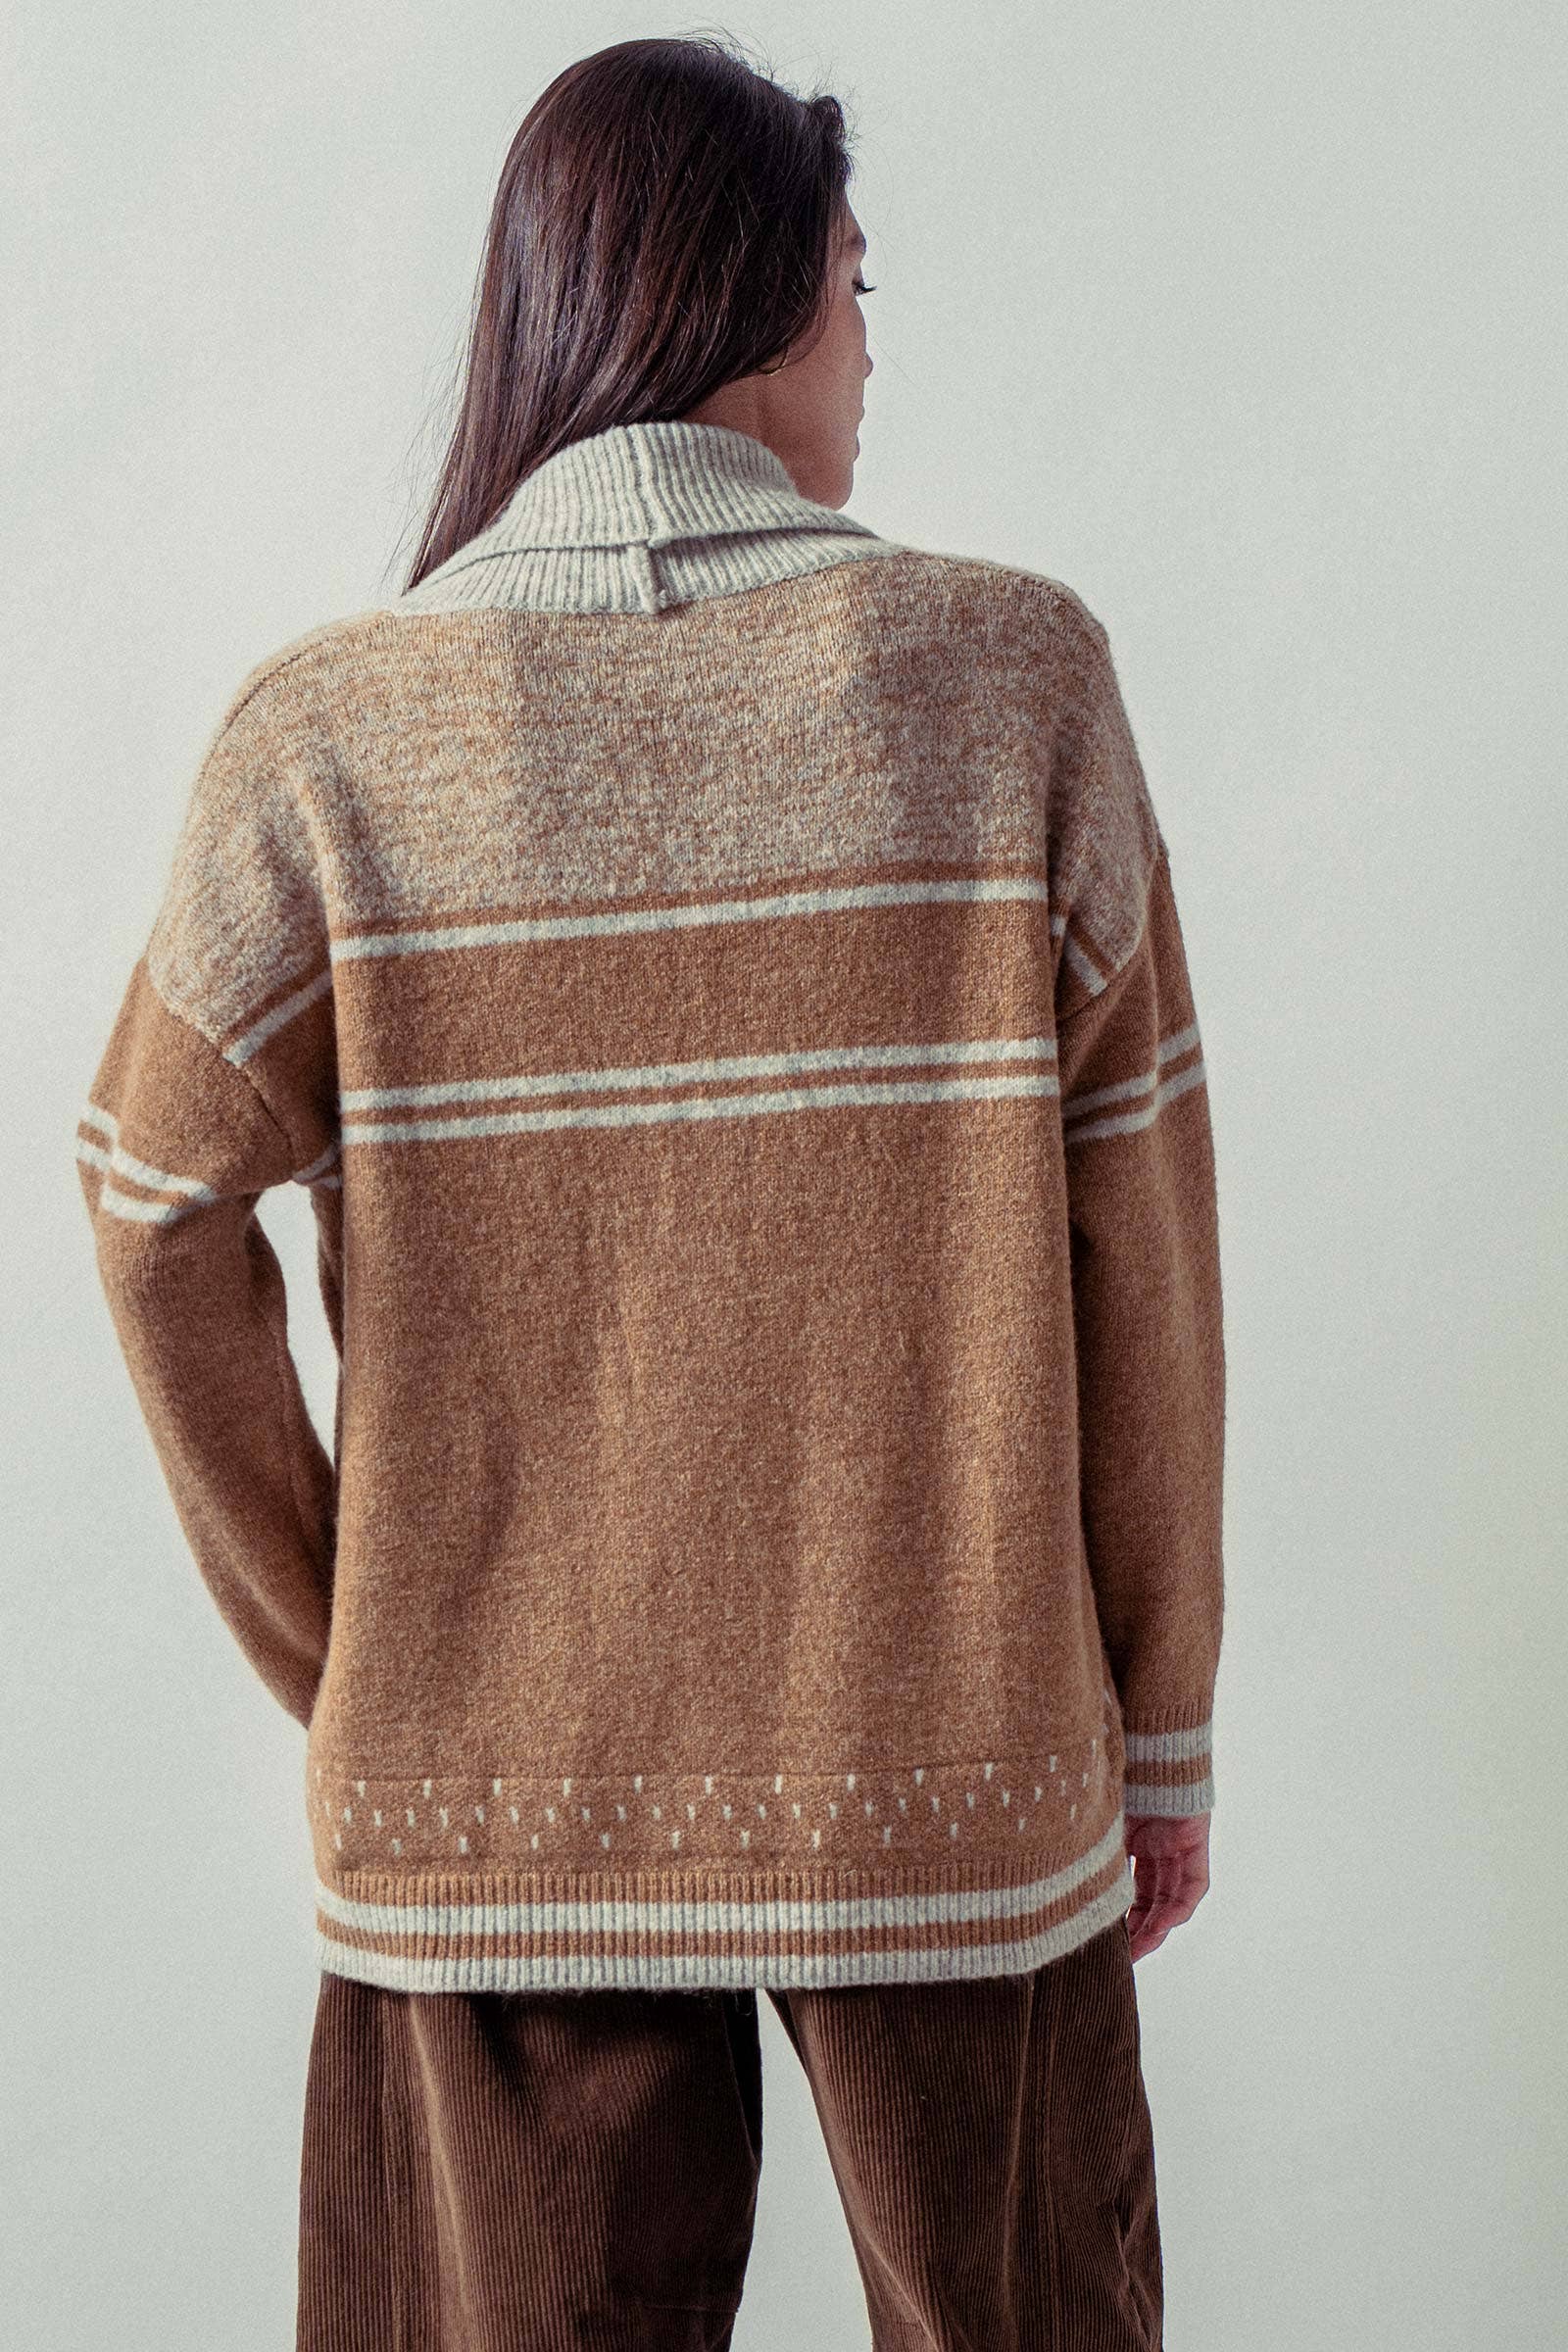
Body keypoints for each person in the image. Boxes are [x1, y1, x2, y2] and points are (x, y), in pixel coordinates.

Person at [74, 32, 1224, 2351]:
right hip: (957, 1767)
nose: (870, 350)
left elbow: (147, 1201)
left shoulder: (330, 734)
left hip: (492, 1802)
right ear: (757, 298)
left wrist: (369, 1650)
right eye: (856, 286)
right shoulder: (1009, 679)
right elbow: (1145, 1255)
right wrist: (1158, 1719)